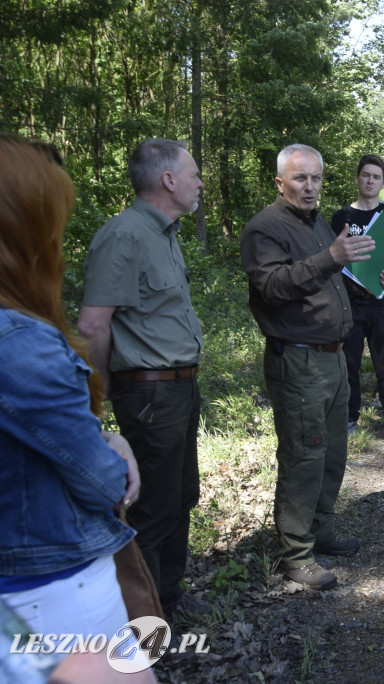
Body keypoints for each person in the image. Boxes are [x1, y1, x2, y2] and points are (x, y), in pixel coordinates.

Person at [0, 134, 139, 649]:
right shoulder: (21, 344)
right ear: (25, 230)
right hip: (50, 594)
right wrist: (111, 447)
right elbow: (104, 485)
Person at [241, 143, 384, 589]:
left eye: (317, 178)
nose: (310, 187)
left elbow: (331, 276)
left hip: (332, 357)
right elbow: (271, 286)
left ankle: (320, 530)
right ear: (280, 182)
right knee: (304, 456)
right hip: (298, 359)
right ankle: (296, 554)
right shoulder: (264, 228)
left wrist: (378, 278)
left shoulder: (317, 221)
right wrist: (331, 257)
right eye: (301, 178)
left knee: (333, 452)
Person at [78, 138, 204, 619]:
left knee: (180, 496)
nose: (198, 183)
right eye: (193, 174)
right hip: (148, 391)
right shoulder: (124, 235)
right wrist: (102, 394)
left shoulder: (165, 233)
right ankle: (143, 618)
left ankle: (169, 595)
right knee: (153, 508)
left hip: (178, 388)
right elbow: (93, 324)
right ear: (168, 180)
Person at [332, 155, 384, 445]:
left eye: (376, 177)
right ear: (357, 179)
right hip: (350, 304)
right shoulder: (341, 217)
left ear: (382, 183)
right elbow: (330, 260)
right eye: (366, 175)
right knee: (349, 363)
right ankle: (348, 417)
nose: (370, 181)